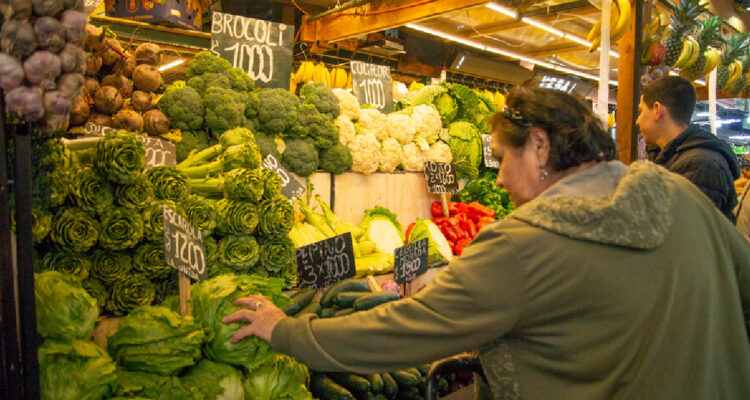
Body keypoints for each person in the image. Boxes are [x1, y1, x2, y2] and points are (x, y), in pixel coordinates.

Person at [223, 87, 750, 400]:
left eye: (502, 157)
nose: (497, 180)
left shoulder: (526, 242)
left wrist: (287, 330)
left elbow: (404, 330)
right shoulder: (679, 192)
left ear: (540, 147)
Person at [637, 75, 740, 221]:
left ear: (657, 109)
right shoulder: (675, 157)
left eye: (641, 111)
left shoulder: (701, 165)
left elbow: (686, 231)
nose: (637, 120)